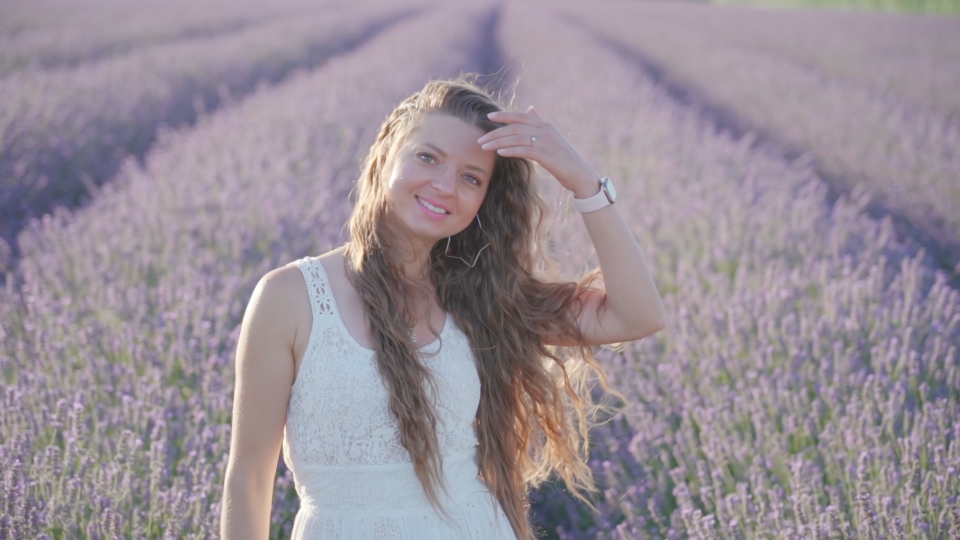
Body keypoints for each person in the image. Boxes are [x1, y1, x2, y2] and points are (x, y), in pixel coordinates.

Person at [220, 74, 666, 540]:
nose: (444, 186)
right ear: (387, 152)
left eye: (471, 178)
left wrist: (586, 183)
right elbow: (249, 480)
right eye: (428, 157)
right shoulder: (291, 297)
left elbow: (637, 315)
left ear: (482, 201)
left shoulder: (481, 298)